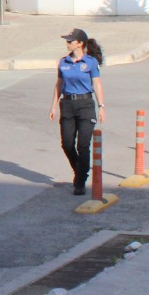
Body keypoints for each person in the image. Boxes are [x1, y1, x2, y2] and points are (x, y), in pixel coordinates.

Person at [51, 28, 105, 194]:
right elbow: (59, 84)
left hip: (85, 105)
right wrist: (53, 106)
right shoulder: (63, 62)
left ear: (80, 43)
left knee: (83, 145)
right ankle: (80, 170)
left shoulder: (90, 62)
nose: (67, 44)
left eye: (70, 41)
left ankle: (80, 182)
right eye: (67, 41)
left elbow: (97, 85)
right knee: (67, 144)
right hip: (67, 105)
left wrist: (101, 106)